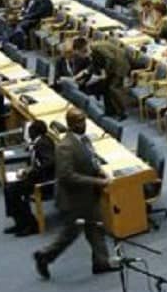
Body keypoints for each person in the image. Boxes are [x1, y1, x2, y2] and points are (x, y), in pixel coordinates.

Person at [32, 107, 117, 280]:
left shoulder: (84, 140)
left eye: (84, 120)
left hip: (88, 195)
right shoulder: (65, 147)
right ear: (70, 124)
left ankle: (101, 262)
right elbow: (67, 177)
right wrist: (98, 181)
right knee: (70, 233)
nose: (83, 124)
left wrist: (99, 171)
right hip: (74, 199)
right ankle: (45, 256)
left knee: (96, 228)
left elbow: (92, 158)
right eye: (78, 121)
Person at [2, 120, 54, 236]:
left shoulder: (43, 143)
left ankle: (31, 225)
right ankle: (20, 222)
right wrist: (29, 171)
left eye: (29, 131)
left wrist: (30, 171)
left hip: (46, 182)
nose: (27, 134)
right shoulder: (38, 142)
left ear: (35, 131)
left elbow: (50, 162)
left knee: (15, 191)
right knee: (8, 188)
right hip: (37, 177)